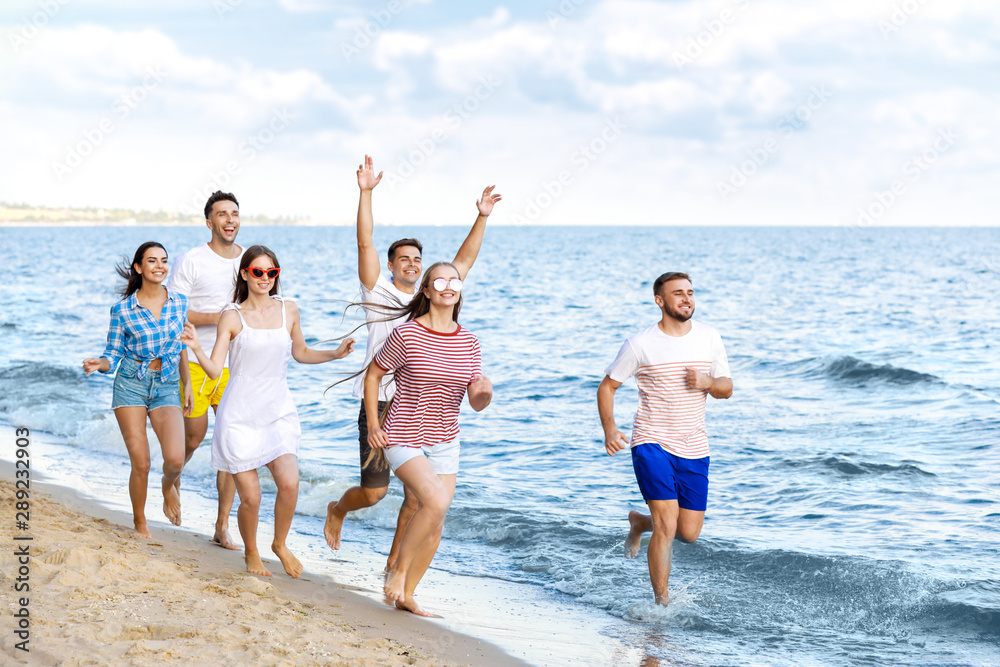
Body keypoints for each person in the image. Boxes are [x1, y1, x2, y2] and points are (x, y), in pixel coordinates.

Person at [323, 154, 501, 572]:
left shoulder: (435, 296)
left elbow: (465, 261)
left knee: (419, 498)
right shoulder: (378, 291)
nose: (411, 263)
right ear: (390, 265)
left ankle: (393, 567)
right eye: (403, 258)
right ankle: (338, 508)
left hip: (425, 406)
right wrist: (366, 192)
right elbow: (365, 242)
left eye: (416, 260)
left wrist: (482, 217)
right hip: (382, 403)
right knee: (374, 493)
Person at [181, 245, 355, 578]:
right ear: (245, 274)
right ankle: (251, 553)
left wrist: (335, 353)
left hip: (278, 411)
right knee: (252, 497)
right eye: (258, 272)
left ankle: (279, 544)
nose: (265, 278)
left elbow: (301, 353)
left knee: (290, 485)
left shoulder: (289, 309)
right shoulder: (231, 315)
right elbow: (216, 370)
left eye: (271, 272)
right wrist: (196, 348)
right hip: (239, 416)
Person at [364, 262, 493, 616]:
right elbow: (373, 375)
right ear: (427, 290)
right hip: (403, 433)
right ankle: (398, 571)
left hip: (445, 439)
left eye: (454, 280)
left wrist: (484, 393)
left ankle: (406, 594)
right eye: (440, 280)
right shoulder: (407, 334)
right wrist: (374, 424)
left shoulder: (469, 341)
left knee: (436, 521)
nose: (448, 285)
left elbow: (475, 401)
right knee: (435, 501)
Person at [597, 272, 733, 605]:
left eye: (690, 292)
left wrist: (707, 382)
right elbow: (607, 387)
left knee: (688, 533)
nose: (687, 298)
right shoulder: (639, 344)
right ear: (660, 301)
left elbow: (726, 389)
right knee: (668, 524)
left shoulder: (709, 338)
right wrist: (610, 429)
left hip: (694, 446)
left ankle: (640, 522)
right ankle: (662, 604)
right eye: (677, 293)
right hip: (651, 442)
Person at [83, 242, 193, 538]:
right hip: (131, 384)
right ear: (139, 267)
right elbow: (113, 353)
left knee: (175, 459)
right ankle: (140, 523)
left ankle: (169, 485)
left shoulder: (180, 302)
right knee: (141, 462)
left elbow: (181, 346)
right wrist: (99, 363)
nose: (160, 266)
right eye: (152, 261)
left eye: (164, 261)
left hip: (167, 384)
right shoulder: (122, 310)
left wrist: (188, 385)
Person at [167, 190, 245, 550]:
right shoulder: (192, 260)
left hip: (234, 367)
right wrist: (221, 318)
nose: (229, 220)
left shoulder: (249, 261)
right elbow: (175, 313)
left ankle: (221, 525)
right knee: (195, 437)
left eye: (234, 213)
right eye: (222, 214)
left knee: (231, 446)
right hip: (196, 363)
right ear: (210, 221)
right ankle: (171, 477)